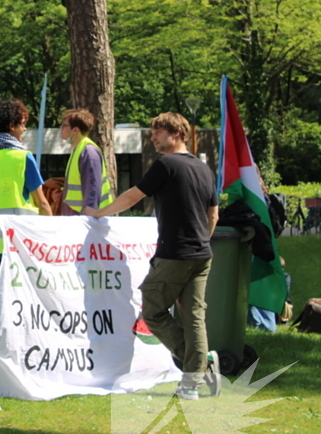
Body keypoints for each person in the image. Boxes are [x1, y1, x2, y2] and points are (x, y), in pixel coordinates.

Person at [84, 112, 221, 401]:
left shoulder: (167, 164)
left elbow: (134, 196)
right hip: (202, 253)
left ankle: (200, 368)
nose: (153, 138)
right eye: (152, 133)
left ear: (177, 134)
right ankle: (194, 382)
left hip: (175, 253)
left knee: (153, 312)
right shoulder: (204, 169)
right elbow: (213, 215)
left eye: (159, 132)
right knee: (194, 317)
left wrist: (99, 212)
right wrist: (202, 241)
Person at [0, 99, 53, 355]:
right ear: (11, 126)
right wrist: (51, 236)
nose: (25, 130)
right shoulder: (22, 157)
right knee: (22, 301)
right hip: (18, 248)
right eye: (23, 124)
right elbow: (41, 202)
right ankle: (21, 354)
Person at [59, 108, 113, 215]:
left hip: (85, 219)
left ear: (75, 130)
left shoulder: (88, 151)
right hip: (77, 216)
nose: (61, 128)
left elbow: (92, 187)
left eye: (64, 125)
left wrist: (89, 217)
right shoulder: (79, 149)